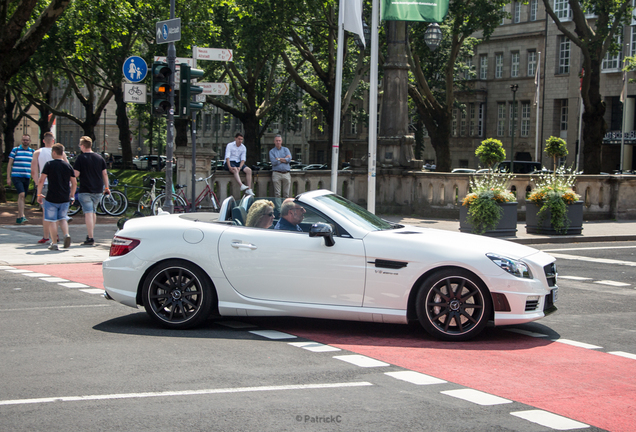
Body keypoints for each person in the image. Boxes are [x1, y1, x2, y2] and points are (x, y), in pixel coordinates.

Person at [36, 143, 76, 251]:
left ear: (54, 152)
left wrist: (39, 193)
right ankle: (66, 234)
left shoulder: (49, 164)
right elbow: (74, 182)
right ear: (62, 153)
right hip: (64, 196)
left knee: (52, 220)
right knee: (63, 218)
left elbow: (41, 180)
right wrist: (72, 194)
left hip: (51, 196)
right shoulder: (68, 166)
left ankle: (54, 243)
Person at [32, 132, 69, 244]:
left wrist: (37, 185)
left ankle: (46, 235)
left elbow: (34, 171)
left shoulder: (38, 152)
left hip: (44, 184)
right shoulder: (61, 153)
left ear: (43, 140)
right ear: (53, 140)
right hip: (59, 185)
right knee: (60, 212)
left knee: (47, 213)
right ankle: (59, 234)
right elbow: (68, 168)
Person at [73, 136, 109, 246]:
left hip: (85, 188)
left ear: (83, 146)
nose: (80, 147)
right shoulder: (99, 158)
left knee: (88, 212)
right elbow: (105, 174)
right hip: (98, 188)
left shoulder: (80, 158)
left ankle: (90, 237)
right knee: (93, 211)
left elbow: (76, 174)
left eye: (80, 145)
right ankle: (90, 234)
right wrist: (107, 187)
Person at [6, 134, 35, 224]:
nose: (25, 141)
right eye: (23, 140)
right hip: (16, 176)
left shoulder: (32, 152)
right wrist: (8, 177)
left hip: (26, 176)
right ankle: (22, 216)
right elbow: (9, 164)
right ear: (21, 140)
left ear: (30, 141)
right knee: (22, 194)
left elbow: (34, 166)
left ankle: (19, 217)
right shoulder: (15, 150)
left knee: (22, 196)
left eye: (27, 140)